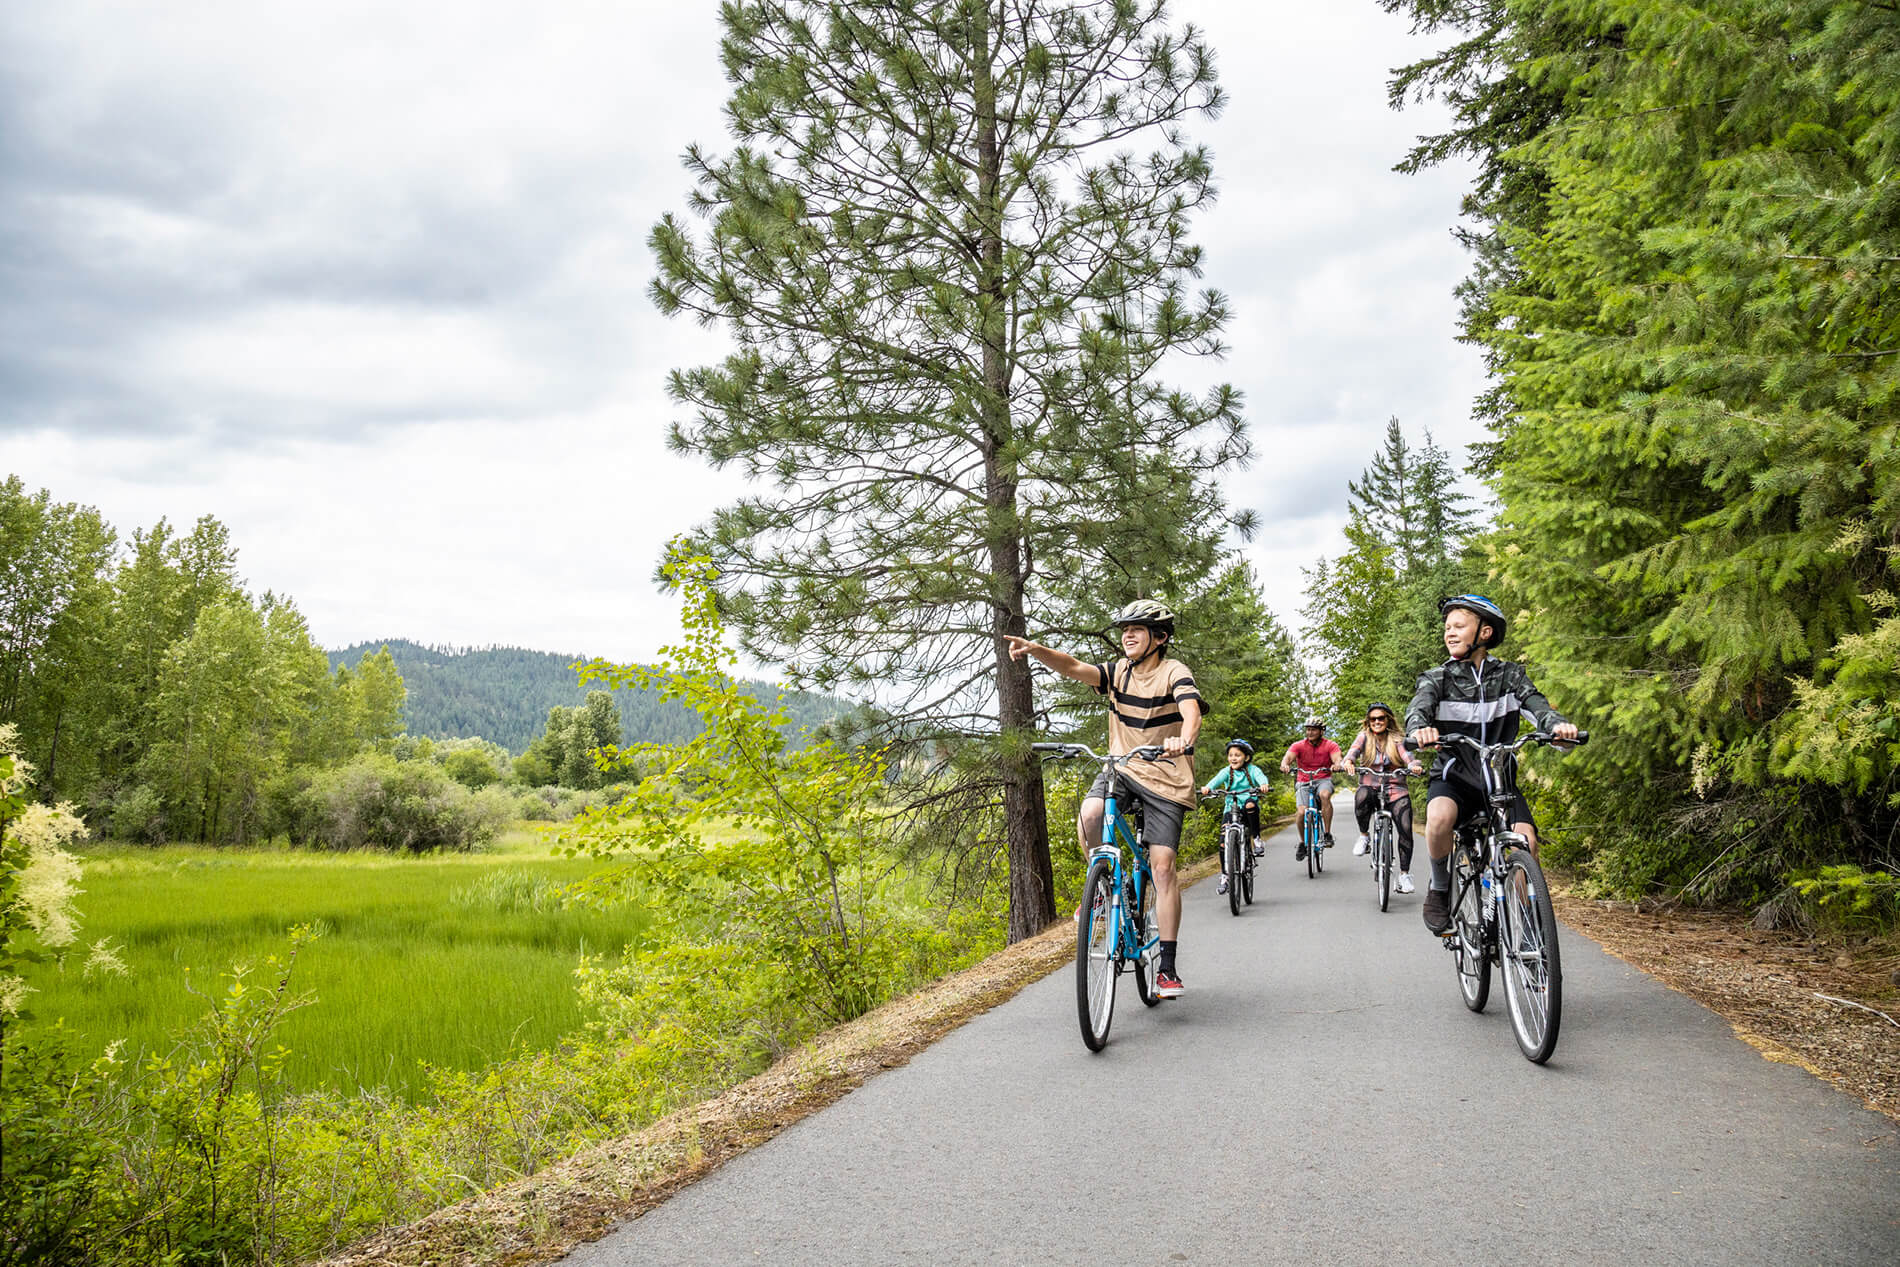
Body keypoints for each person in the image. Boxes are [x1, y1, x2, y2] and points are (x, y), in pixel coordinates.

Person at [1006, 599, 1202, 997]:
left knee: (1162, 867)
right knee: (1090, 814)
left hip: (1166, 775)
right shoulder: (1117, 673)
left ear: (1159, 637)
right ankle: (1105, 890)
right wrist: (1037, 650)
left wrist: (1184, 738)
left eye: (1137, 629)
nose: (1127, 635)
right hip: (1124, 768)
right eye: (1124, 629)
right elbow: (1075, 667)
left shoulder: (1173, 671)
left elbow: (1191, 710)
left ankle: (1166, 967)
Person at [1406, 595, 1579, 936]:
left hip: (1500, 782)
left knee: (1525, 843)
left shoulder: (1510, 676)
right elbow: (1418, 710)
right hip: (1453, 777)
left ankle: (1531, 935)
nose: (1450, 633)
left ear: (1484, 633)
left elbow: (1537, 707)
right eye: (1447, 628)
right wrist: (1419, 731)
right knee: (1439, 819)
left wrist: (1557, 728)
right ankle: (1440, 888)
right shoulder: (1437, 678)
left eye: (1459, 626)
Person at [1341, 702, 1426, 894]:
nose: (1377, 722)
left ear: (1388, 719)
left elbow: (1409, 757)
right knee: (1361, 796)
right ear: (1368, 722)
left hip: (1396, 789)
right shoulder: (1364, 737)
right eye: (1373, 719)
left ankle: (1404, 875)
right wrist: (1348, 762)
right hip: (1371, 786)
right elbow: (1352, 753)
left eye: (1381, 718)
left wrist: (1414, 765)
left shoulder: (1397, 739)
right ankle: (1364, 836)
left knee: (1405, 828)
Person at [1200, 739, 1270, 895]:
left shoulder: (1252, 770)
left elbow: (1261, 778)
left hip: (1247, 805)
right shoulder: (1227, 771)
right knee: (1223, 842)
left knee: (1250, 805)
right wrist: (1208, 788)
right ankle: (1225, 875)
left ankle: (1257, 839)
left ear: (1246, 757)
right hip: (1231, 808)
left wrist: (1263, 785)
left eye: (1237, 755)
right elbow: (1216, 780)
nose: (1233, 758)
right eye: (1230, 755)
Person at [1279, 716, 1342, 860]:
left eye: (1313, 730)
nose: (1310, 733)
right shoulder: (1298, 745)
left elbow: (1337, 757)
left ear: (1321, 731)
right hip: (1303, 780)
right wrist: (1285, 764)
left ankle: (1327, 834)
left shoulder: (1330, 745)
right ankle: (1302, 842)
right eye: (1308, 730)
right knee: (1301, 812)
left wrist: (1337, 764)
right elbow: (1288, 757)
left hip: (1323, 778)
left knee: (1325, 795)